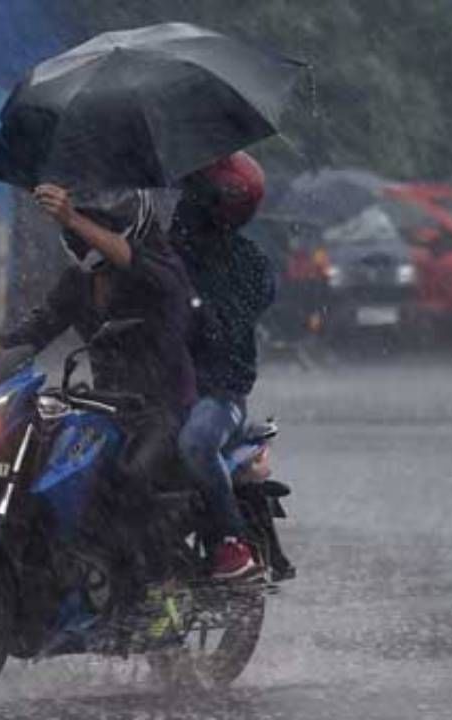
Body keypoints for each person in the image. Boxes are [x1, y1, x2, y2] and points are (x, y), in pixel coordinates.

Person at [0, 184, 197, 566]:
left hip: (160, 410)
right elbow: (37, 330)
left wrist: (71, 215)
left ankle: (155, 582)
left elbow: (134, 261)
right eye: (77, 224)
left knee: (128, 478)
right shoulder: (79, 282)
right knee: (42, 471)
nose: (80, 232)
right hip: (103, 407)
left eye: (92, 225)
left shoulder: (162, 270)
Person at [171, 152, 276, 580]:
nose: (187, 200)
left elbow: (243, 310)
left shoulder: (247, 264)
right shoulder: (168, 246)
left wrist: (201, 313)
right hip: (158, 384)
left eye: (198, 193)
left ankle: (231, 543)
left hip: (218, 395)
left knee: (196, 444)